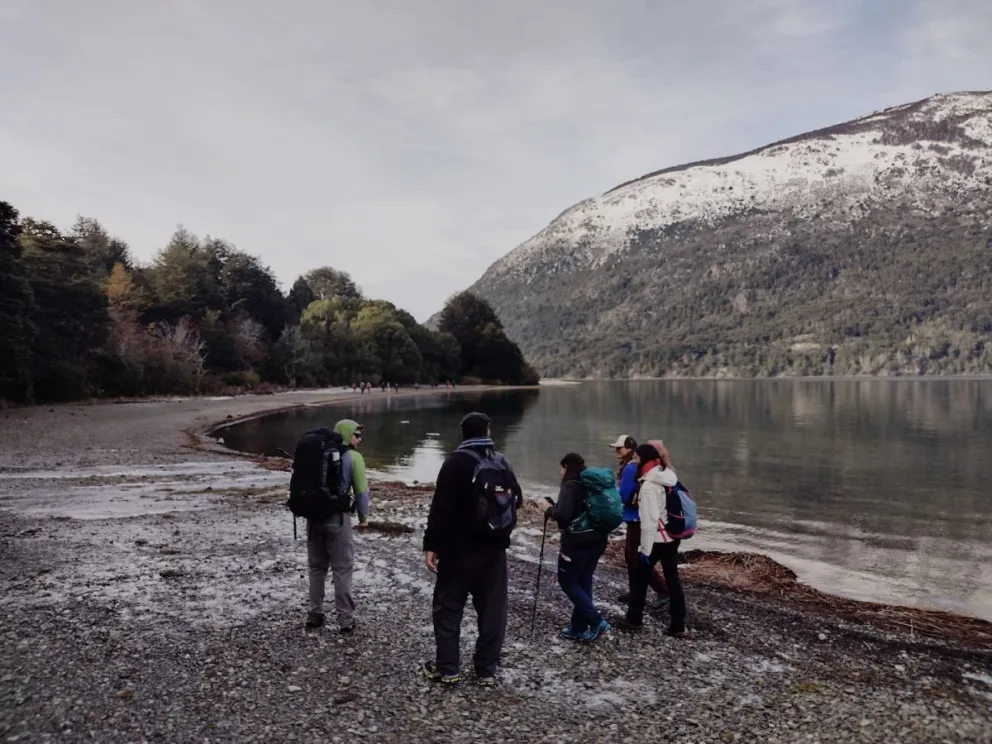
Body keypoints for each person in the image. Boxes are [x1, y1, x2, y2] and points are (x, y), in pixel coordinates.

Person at [423, 412, 522, 686]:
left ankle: (448, 670)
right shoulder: (502, 462)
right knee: (492, 610)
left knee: (448, 608)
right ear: (488, 431)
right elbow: (517, 501)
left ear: (463, 433)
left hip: (458, 551)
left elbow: (440, 509)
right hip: (494, 550)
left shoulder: (454, 463)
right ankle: (486, 671)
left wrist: (431, 545)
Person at [615, 443, 687, 636]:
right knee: (673, 578)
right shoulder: (668, 476)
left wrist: (645, 550)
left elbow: (649, 521)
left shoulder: (648, 486)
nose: (633, 462)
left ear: (644, 461)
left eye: (636, 458)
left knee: (639, 576)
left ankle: (634, 619)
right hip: (672, 536)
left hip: (656, 538)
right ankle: (678, 624)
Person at [305, 418, 370, 633]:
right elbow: (361, 491)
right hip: (337, 520)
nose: (359, 439)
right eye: (356, 435)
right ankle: (345, 620)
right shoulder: (354, 457)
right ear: (346, 433)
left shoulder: (318, 453)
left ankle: (315, 613)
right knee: (342, 569)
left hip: (313, 519)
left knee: (317, 567)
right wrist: (363, 518)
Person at [543, 453, 610, 642]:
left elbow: (563, 515)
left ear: (565, 466)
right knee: (584, 581)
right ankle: (579, 627)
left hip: (577, 543)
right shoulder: (591, 485)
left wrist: (548, 509)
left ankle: (596, 621)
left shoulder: (570, 486)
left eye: (561, 468)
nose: (560, 472)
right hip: (598, 540)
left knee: (568, 582)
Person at [612, 435, 670, 608]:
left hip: (636, 518)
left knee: (635, 558)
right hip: (638, 517)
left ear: (630, 449)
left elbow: (624, 495)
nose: (616, 451)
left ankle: (663, 592)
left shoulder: (630, 468)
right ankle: (636, 591)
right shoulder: (641, 467)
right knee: (631, 558)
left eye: (619, 448)